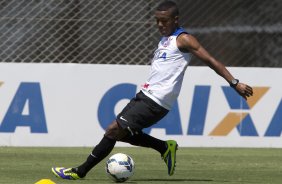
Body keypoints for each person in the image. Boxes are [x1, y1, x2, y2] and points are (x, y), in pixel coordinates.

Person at [51, 0, 253, 180]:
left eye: (164, 21)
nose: (160, 24)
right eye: (157, 20)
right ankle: (164, 147)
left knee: (113, 130)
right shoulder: (164, 41)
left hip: (156, 101)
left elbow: (210, 60)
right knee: (120, 133)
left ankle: (79, 172)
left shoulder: (183, 39)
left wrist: (234, 83)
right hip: (145, 96)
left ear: (176, 19)